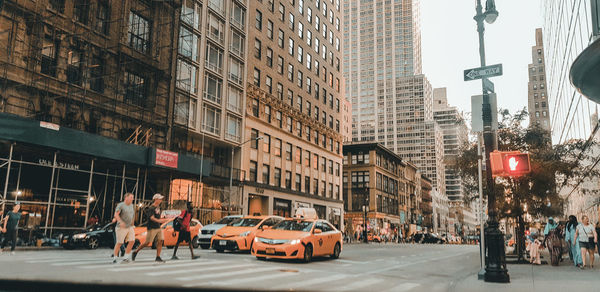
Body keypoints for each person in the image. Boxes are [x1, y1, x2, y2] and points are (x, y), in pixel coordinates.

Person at [132, 194, 169, 263]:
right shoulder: (151, 208)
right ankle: (135, 252)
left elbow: (158, 217)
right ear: (156, 199)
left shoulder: (158, 207)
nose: (161, 200)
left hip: (158, 227)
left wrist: (164, 219)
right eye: (160, 199)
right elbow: (151, 218)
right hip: (152, 227)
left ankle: (158, 256)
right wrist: (160, 221)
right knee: (147, 242)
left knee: (160, 240)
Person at [112, 193, 136, 263]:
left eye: (133, 197)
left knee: (132, 241)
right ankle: (115, 258)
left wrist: (133, 223)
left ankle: (126, 257)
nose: (133, 199)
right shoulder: (121, 205)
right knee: (119, 242)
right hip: (121, 227)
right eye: (131, 197)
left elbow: (133, 215)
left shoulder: (132, 205)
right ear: (126, 197)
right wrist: (120, 222)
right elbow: (116, 214)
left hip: (129, 226)